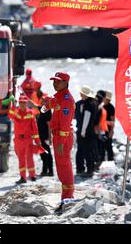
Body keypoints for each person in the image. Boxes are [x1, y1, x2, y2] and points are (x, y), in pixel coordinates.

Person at [41, 72, 75, 212]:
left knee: (64, 167)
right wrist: (44, 106)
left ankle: (67, 198)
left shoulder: (66, 99)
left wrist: (60, 141)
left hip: (63, 137)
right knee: (61, 167)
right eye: (54, 81)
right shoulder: (58, 96)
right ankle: (65, 197)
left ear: (66, 83)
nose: (55, 83)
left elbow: (66, 124)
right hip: (58, 136)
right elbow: (46, 107)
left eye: (58, 81)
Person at [8, 94, 41, 184]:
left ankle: (32, 175)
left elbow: (35, 128)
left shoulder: (30, 113)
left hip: (27, 139)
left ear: (26, 103)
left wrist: (37, 142)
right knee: (21, 159)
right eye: (21, 102)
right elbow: (10, 116)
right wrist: (13, 106)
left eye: (24, 103)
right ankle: (23, 177)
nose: (22, 104)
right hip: (18, 140)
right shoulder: (16, 112)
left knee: (29, 158)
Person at [74, 85, 99, 178]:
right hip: (88, 130)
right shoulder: (91, 103)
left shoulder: (89, 104)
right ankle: (84, 168)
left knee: (85, 150)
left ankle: (88, 169)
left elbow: (86, 118)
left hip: (85, 131)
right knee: (85, 150)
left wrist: (83, 131)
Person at [34, 81, 54, 176]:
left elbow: (50, 125)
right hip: (40, 135)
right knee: (42, 153)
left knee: (47, 153)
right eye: (43, 100)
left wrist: (50, 138)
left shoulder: (48, 111)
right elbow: (33, 105)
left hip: (45, 135)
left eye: (45, 100)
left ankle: (50, 171)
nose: (42, 101)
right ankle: (44, 170)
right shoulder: (42, 109)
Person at [95, 90, 110, 166]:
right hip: (99, 132)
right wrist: (99, 134)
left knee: (101, 149)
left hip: (101, 130)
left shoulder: (100, 106)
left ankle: (99, 165)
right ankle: (98, 165)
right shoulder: (100, 107)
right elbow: (97, 121)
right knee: (100, 150)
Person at [102, 91, 115, 161]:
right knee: (101, 147)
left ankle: (111, 161)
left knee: (109, 147)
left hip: (108, 130)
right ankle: (102, 162)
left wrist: (111, 131)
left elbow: (112, 121)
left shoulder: (111, 108)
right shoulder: (101, 106)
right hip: (101, 130)